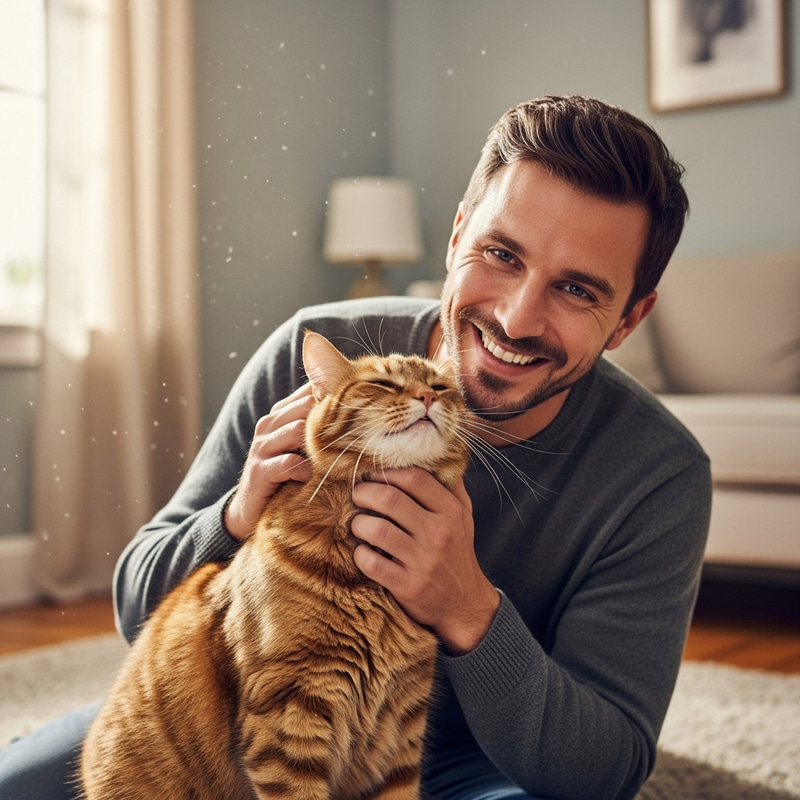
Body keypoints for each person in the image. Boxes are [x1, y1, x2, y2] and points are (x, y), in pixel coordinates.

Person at [0, 95, 711, 800]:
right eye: (500, 253)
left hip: (471, 764)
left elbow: (605, 769)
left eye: (578, 289)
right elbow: (137, 609)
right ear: (457, 235)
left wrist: (466, 607)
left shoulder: (658, 475)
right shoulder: (319, 359)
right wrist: (235, 517)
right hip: (233, 723)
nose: (516, 317)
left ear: (628, 320)